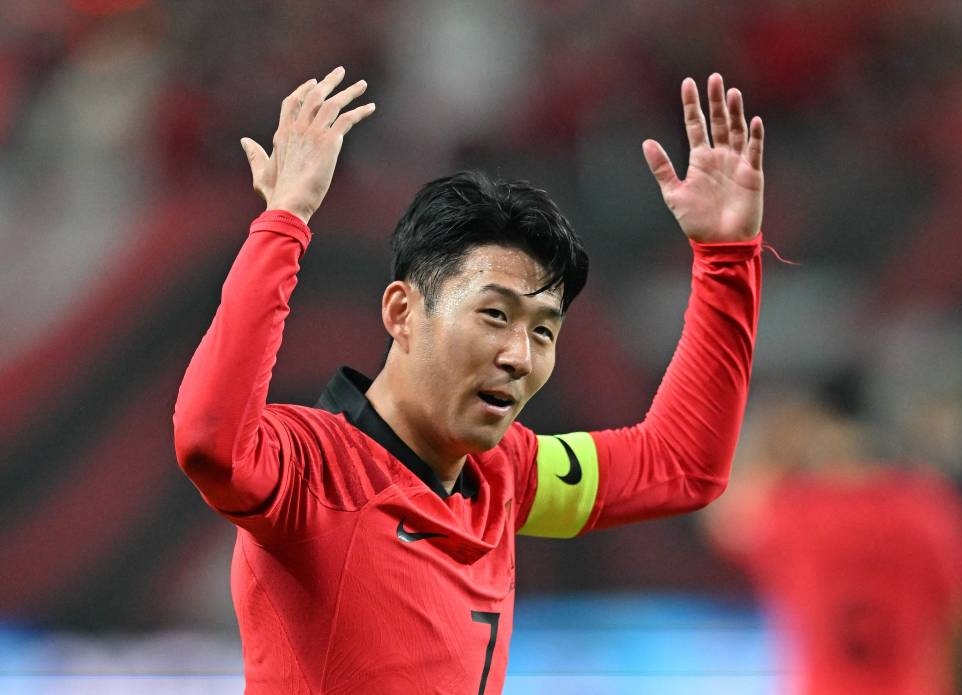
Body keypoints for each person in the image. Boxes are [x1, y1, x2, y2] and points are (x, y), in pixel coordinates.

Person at [173, 66, 765, 694]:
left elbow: (681, 466)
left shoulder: (506, 477)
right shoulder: (313, 472)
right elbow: (210, 440)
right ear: (403, 312)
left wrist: (727, 259)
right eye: (495, 315)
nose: (519, 355)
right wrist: (285, 220)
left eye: (544, 331)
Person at [704, 387, 962, 695]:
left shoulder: (794, 513)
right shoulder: (928, 508)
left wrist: (776, 440)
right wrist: (946, 674)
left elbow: (722, 515)